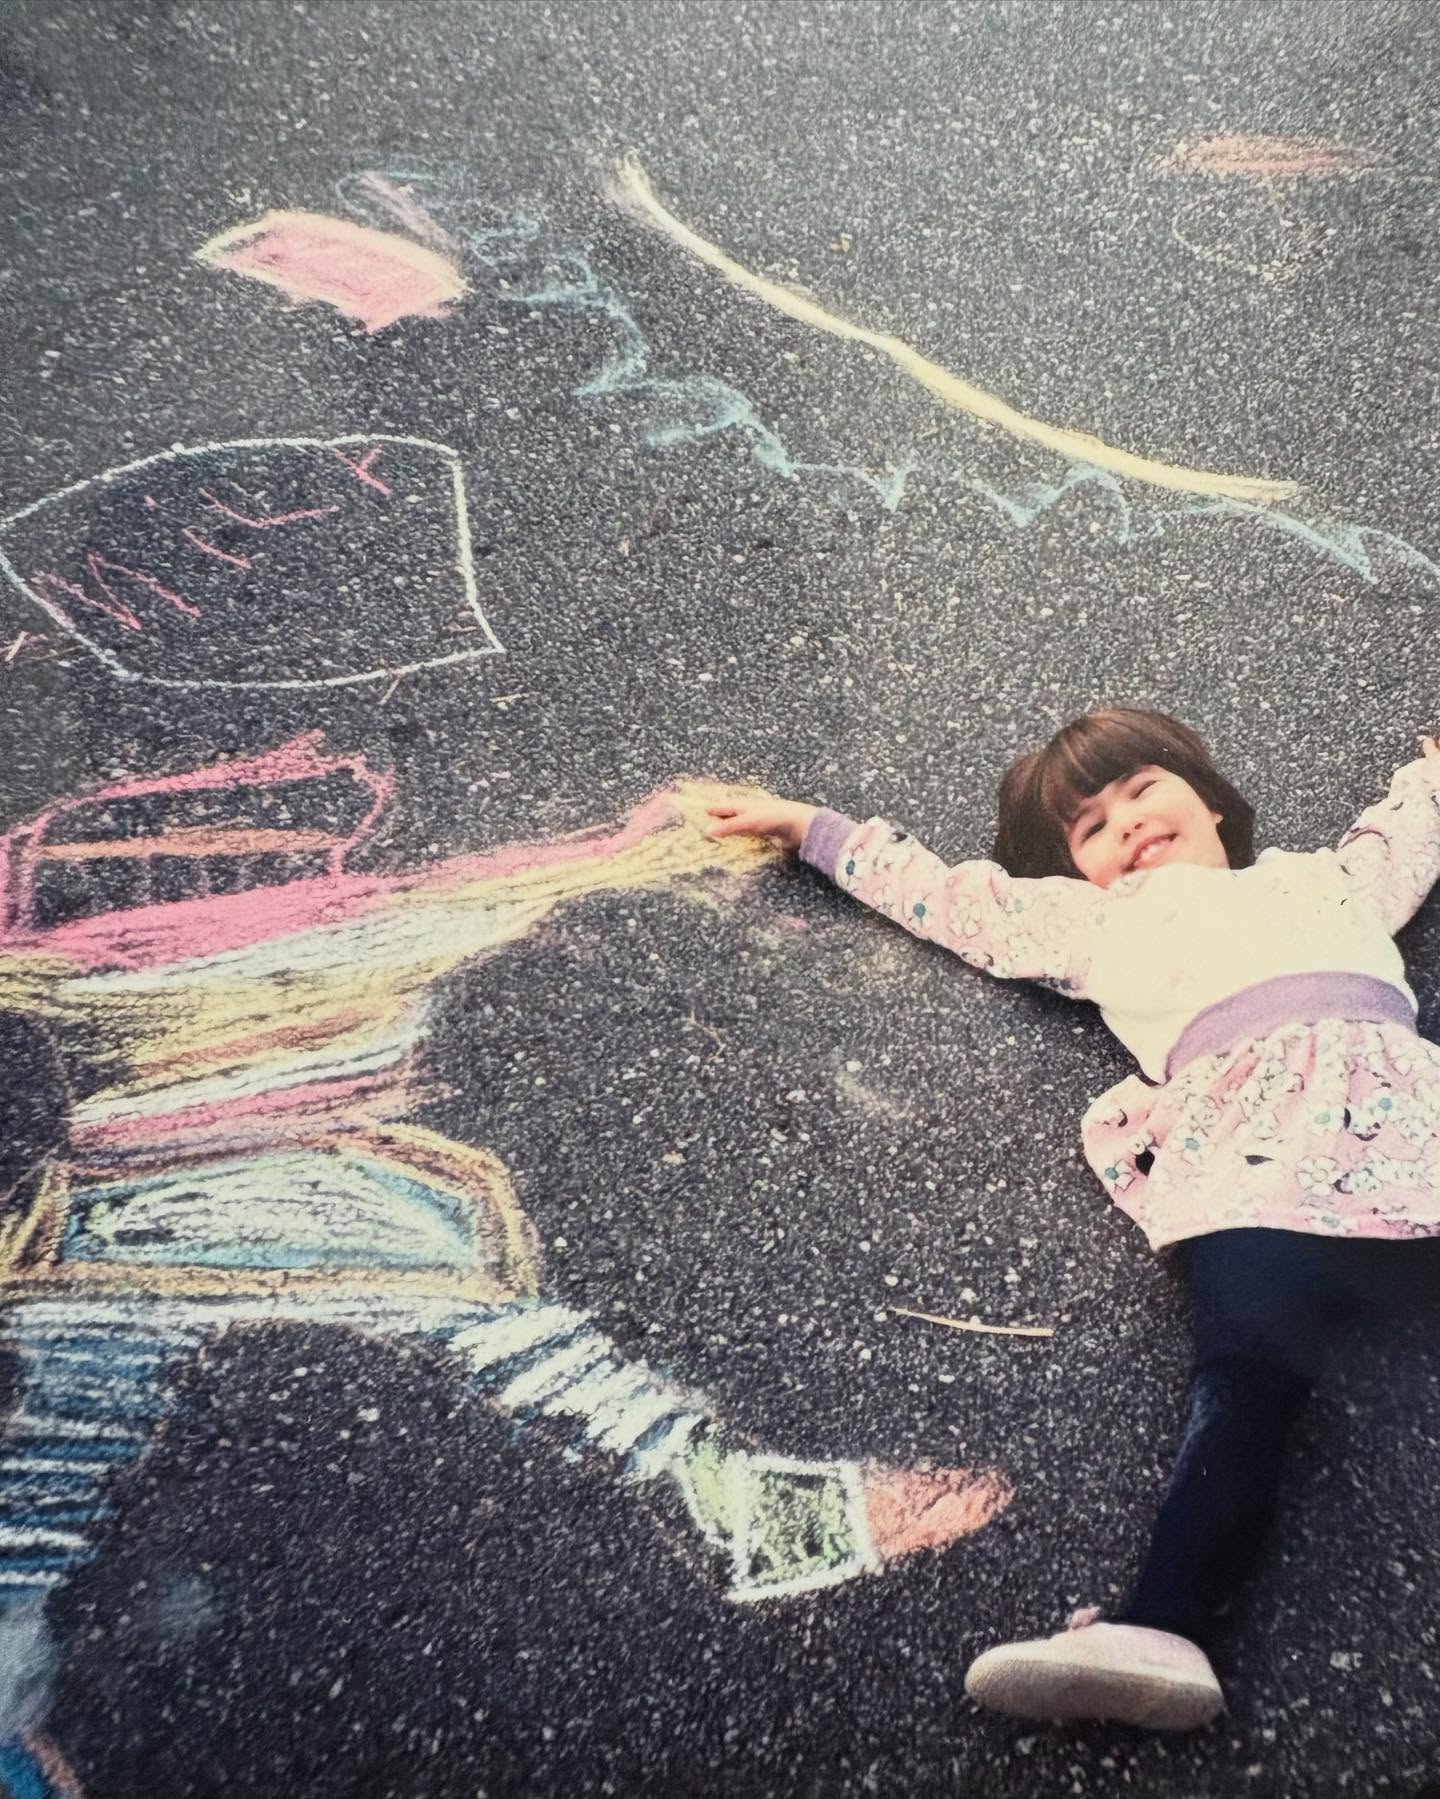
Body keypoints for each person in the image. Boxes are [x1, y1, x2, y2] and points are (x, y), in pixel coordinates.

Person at [705, 705, 1440, 1731]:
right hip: (1253, 1165)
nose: (1128, 820)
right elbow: (952, 899)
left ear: (1213, 799)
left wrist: (1434, 774)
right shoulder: (1097, 923)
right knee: (1243, 1387)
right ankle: (1162, 1626)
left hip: (1414, 1138)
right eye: (1091, 826)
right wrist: (810, 827)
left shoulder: (1323, 879)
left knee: (1252, 1378)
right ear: (1079, 873)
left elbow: (1405, 835)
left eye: (1142, 787)